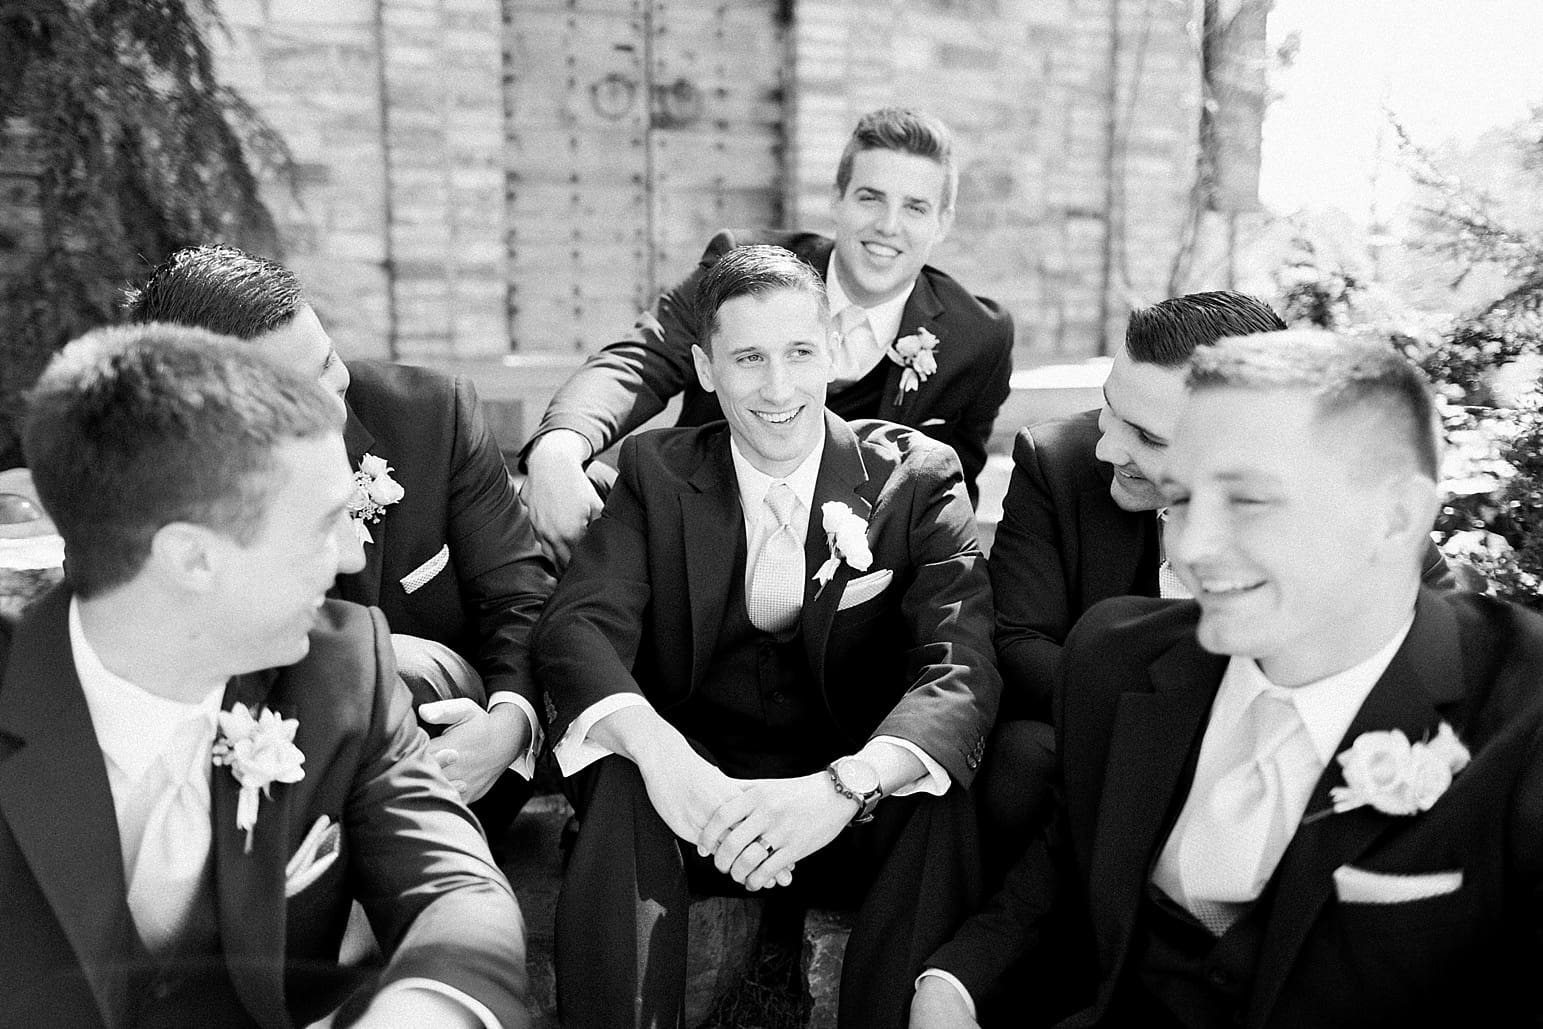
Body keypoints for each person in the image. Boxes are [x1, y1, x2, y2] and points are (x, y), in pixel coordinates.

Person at [913, 333, 1543, 1028]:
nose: (1190, 547)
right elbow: (1060, 873)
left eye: (1246, 502)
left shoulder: (1523, 709)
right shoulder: (1113, 657)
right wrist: (951, 985)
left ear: (1396, 517)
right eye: (1179, 498)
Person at [1, 325, 527, 1027]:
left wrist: (423, 1009)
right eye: (318, 525)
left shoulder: (343, 672)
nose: (350, 555)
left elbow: (456, 891)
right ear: (191, 558)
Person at [532, 245, 1000, 1029]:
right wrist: (664, 756)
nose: (777, 388)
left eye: (799, 354)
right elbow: (579, 626)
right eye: (747, 357)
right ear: (704, 369)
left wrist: (846, 786)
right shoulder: (655, 468)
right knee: (618, 770)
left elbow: (961, 666)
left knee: (936, 788)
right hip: (691, 797)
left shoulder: (915, 477)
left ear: (836, 356)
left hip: (847, 800)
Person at [123, 245, 556, 835]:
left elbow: (520, 598)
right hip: (255, 783)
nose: (335, 395)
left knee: (411, 668)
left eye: (327, 361)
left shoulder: (434, 417)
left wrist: (508, 727)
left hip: (445, 763)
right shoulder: (141, 488)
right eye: (296, 392)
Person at [521, 106, 1016, 565]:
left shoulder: (979, 338)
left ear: (942, 223)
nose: (888, 226)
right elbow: (640, 358)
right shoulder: (744, 265)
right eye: (870, 198)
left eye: (915, 207)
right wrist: (559, 448)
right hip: (707, 545)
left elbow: (952, 491)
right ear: (837, 199)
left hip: (848, 584)